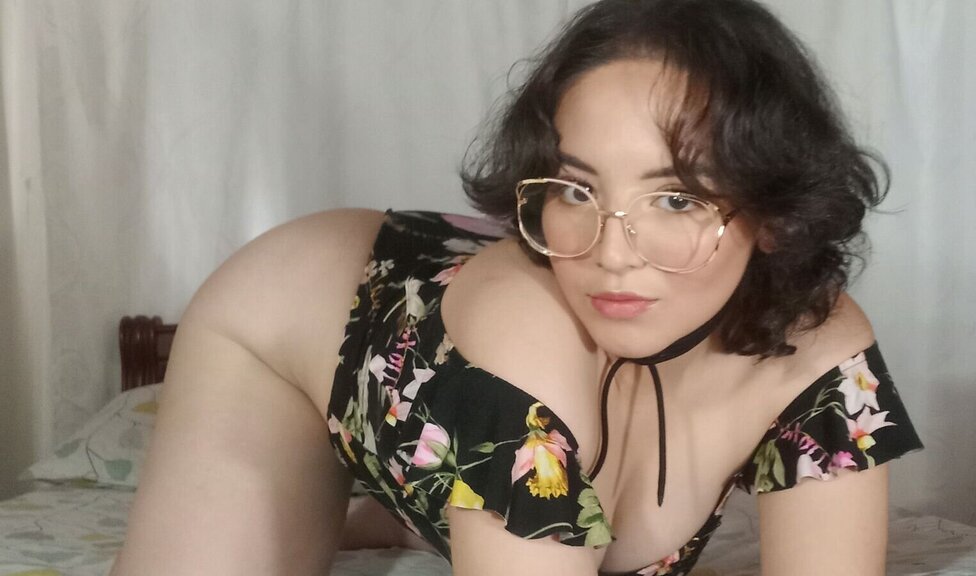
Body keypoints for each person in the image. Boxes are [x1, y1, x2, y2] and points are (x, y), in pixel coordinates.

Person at [111, 0, 923, 575]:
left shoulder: (824, 352)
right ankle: (410, 494)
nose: (610, 254)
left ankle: (414, 511)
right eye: (574, 189)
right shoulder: (528, 347)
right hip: (290, 328)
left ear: (776, 211)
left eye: (676, 199)